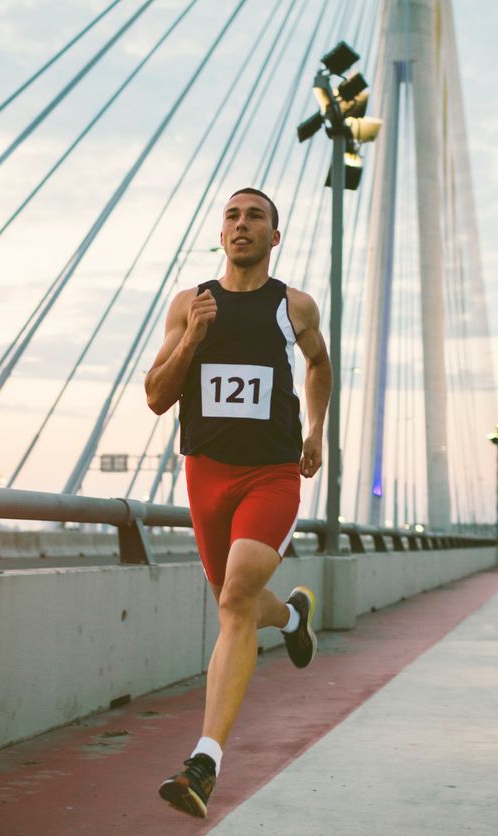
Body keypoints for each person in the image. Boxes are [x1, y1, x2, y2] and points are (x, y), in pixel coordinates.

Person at [144, 187, 332, 818]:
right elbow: (156, 396)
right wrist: (193, 338)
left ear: (274, 237)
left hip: (271, 475)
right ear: (221, 234)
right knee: (240, 601)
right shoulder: (189, 304)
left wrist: (316, 430)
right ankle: (293, 619)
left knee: (233, 601)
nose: (242, 223)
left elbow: (319, 365)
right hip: (206, 475)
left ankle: (204, 763)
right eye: (232, 216)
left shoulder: (294, 306)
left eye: (255, 216)